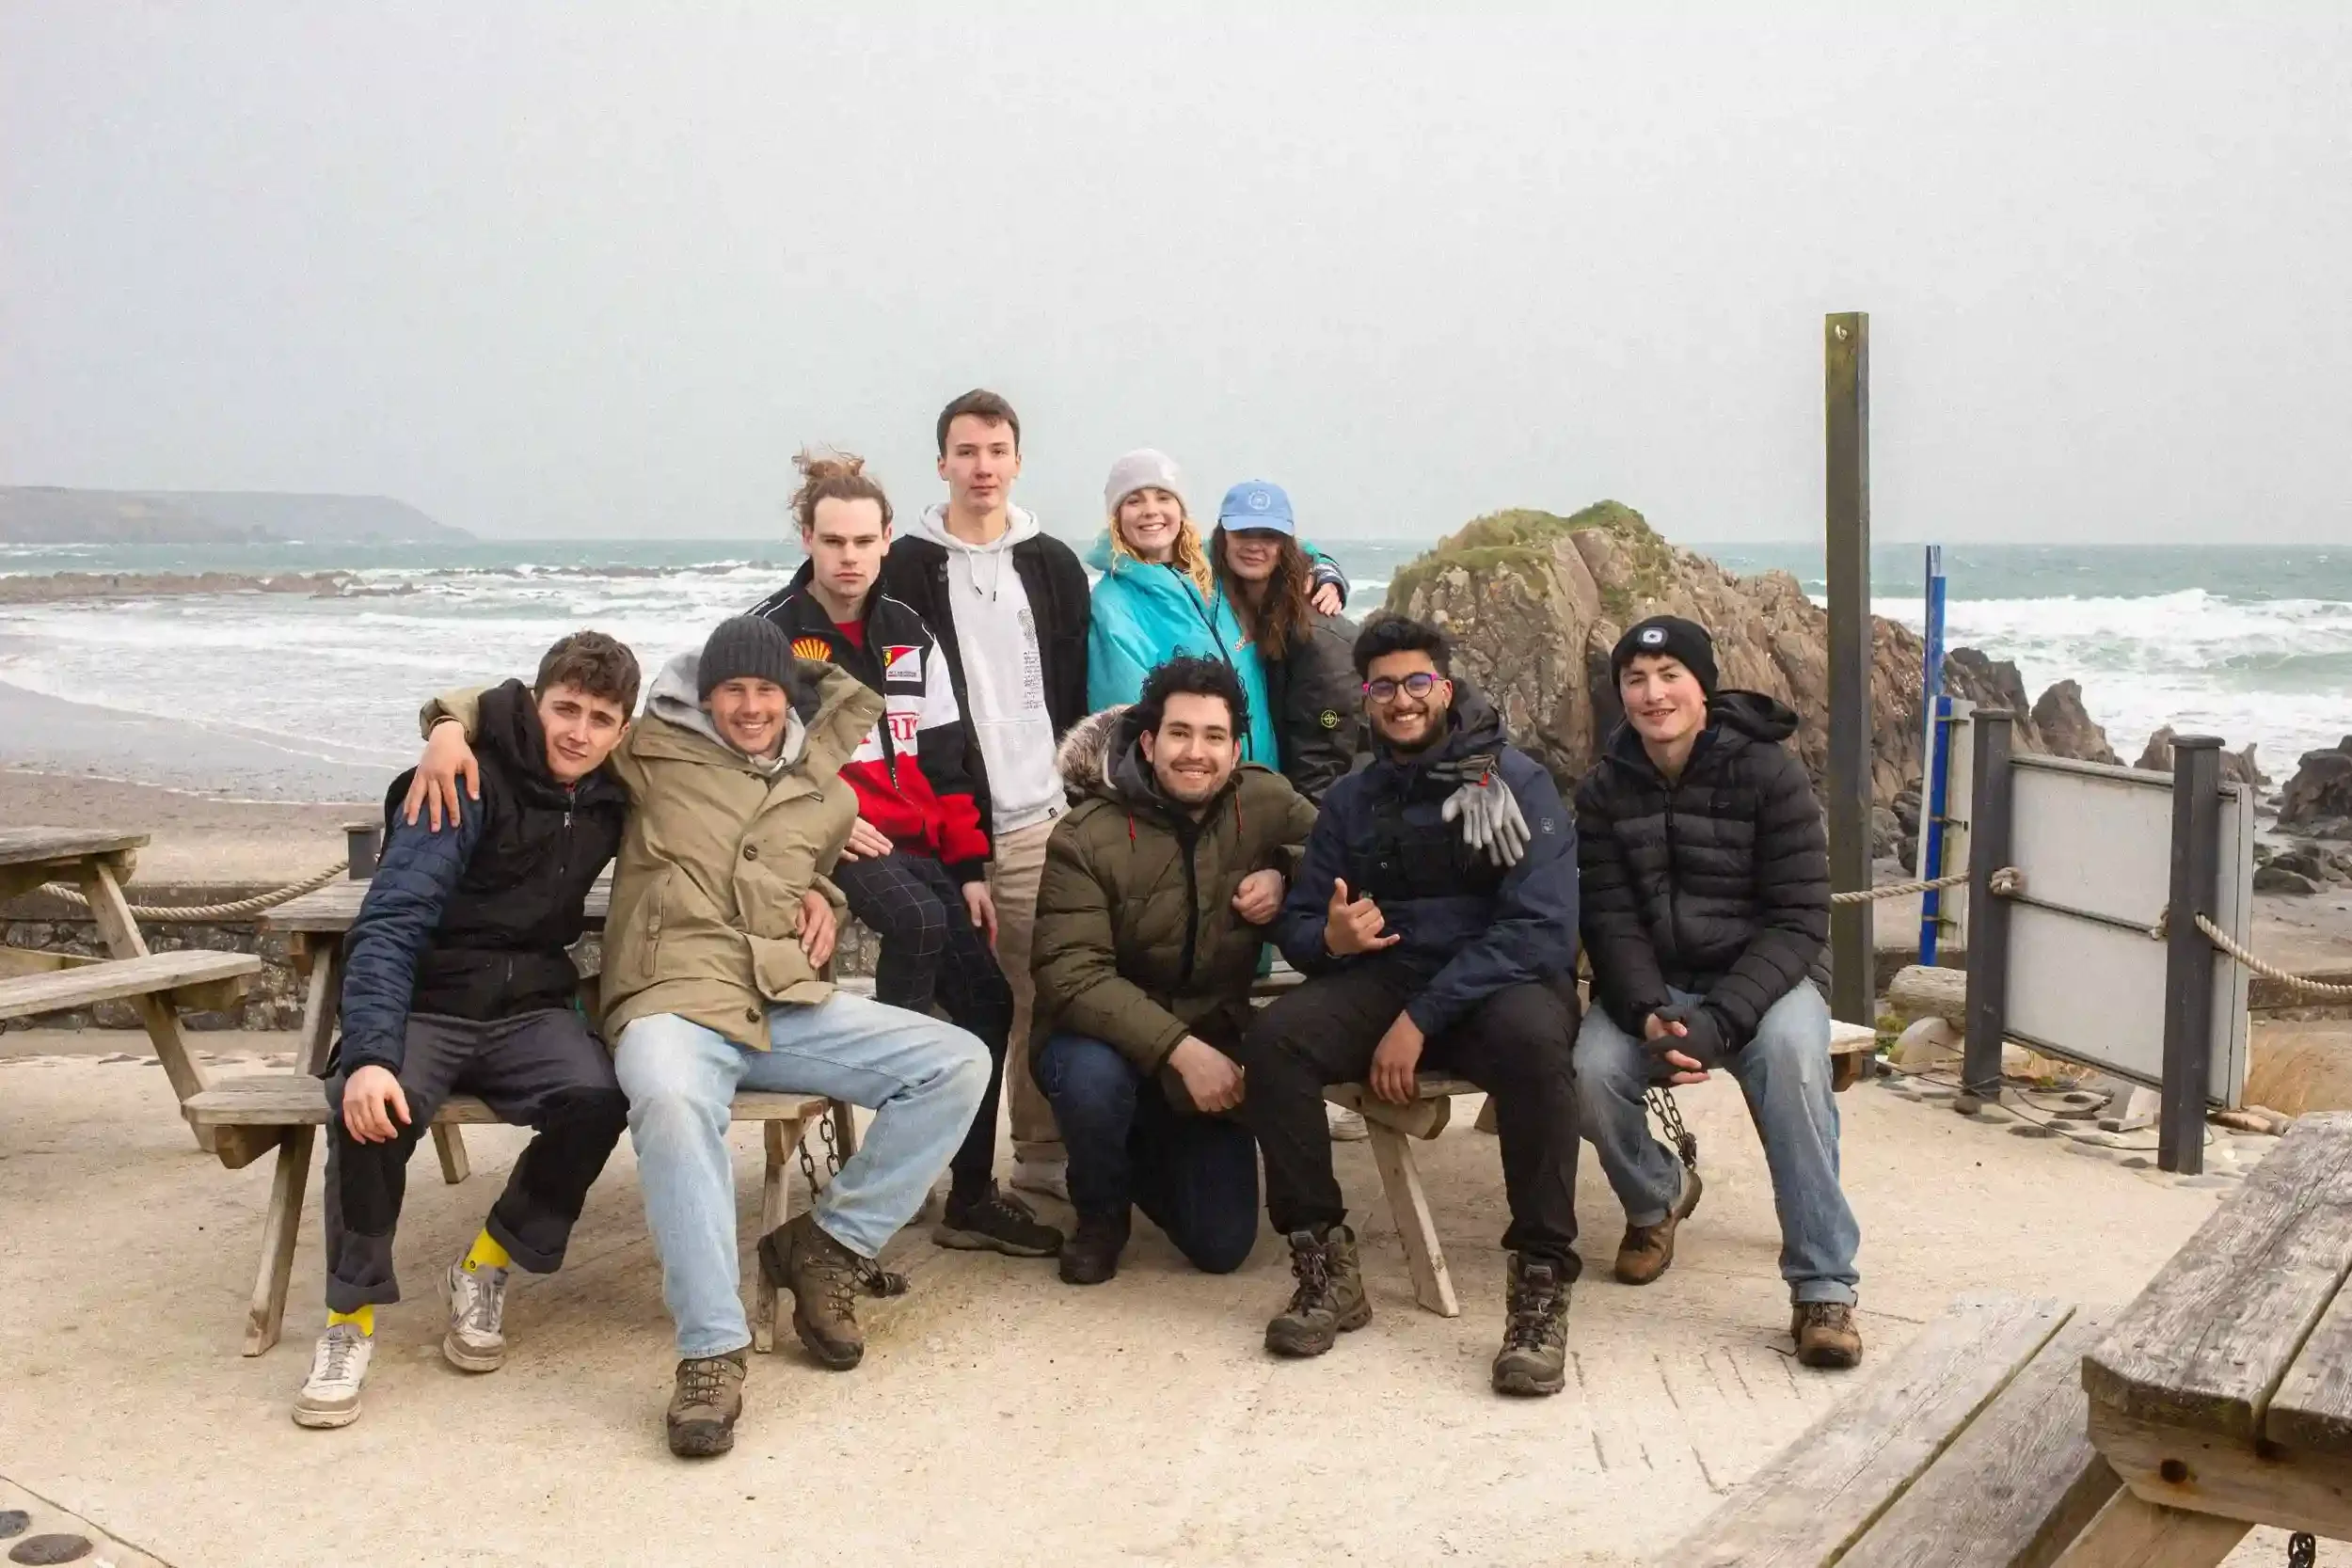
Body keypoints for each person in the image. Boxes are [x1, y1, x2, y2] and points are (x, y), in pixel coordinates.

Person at [405, 614, 990, 1457]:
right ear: (706, 694)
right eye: (732, 690)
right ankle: (712, 1351)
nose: (750, 707)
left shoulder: (829, 791)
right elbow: (532, 717)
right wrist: (447, 727)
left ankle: (828, 1245)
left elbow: (802, 864)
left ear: (789, 696)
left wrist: (822, 895)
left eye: (766, 690)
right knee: (673, 1102)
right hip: (669, 998)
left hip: (778, 1000)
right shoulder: (649, 749)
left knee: (958, 1062)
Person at [293, 631, 640, 1431]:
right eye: (565, 709)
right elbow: (390, 920)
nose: (578, 732)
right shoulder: (464, 777)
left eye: (599, 719)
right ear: (535, 703)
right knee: (370, 1107)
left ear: (622, 731)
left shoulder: (612, 793)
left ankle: (484, 1264)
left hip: (529, 1008)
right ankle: (348, 1321)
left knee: (599, 1097)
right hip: (429, 1000)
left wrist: (816, 884)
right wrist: (370, 1055)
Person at [1231, 615, 1585, 1397]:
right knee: (1277, 1039)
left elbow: (1542, 929)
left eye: (1417, 681)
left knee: (1537, 1047)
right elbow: (1303, 924)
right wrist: (1330, 938)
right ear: (1366, 698)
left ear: (1445, 689)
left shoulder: (1513, 781)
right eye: (1384, 686)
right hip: (1388, 974)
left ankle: (1540, 1285)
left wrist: (1420, 1018)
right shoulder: (1352, 798)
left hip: (1500, 983)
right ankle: (1325, 1265)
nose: (1402, 699)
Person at [747, 449, 1059, 1259]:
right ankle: (896, 1148)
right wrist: (824, 816)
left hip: (918, 842)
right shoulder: (770, 634)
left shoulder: (908, 632)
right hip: (833, 841)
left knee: (990, 1001)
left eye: (863, 541)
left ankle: (969, 1196)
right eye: (832, 541)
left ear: (888, 538)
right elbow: (735, 755)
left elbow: (947, 757)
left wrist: (969, 868)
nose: (848, 557)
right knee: (917, 922)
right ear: (808, 539)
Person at [1571, 614, 1864, 1370]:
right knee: (1589, 1073)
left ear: (1703, 687)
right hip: (1656, 982)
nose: (1653, 693)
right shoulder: (1604, 789)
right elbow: (1608, 916)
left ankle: (1823, 1284)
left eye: (1670, 676)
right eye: (1636, 679)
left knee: (1795, 1063)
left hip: (1766, 981)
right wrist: (1646, 1009)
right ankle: (1658, 1195)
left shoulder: (1769, 773)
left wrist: (1724, 1019)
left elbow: (1800, 917)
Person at [1028, 657, 1318, 1284]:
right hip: (1100, 1040)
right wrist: (1182, 1052)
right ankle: (1100, 1210)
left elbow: (1336, 848)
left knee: (1222, 1246)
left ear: (1235, 750)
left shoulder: (1263, 800)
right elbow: (1071, 974)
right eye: (1180, 733)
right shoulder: (1084, 836)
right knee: (1092, 1082)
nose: (1196, 752)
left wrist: (1284, 871)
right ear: (1148, 742)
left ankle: (1138, 1145)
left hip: (1211, 1031)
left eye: (1214, 736)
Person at [881, 389, 1090, 1204]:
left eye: (996, 450)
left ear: (1017, 461)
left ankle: (1040, 1154)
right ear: (942, 463)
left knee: (1042, 988)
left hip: (1040, 815)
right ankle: (931, 1166)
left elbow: (1077, 681)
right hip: (940, 824)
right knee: (942, 1003)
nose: (982, 466)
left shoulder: (1053, 563)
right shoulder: (902, 564)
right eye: (966, 451)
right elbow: (820, 619)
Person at [1209, 479, 1363, 803]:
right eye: (1243, 532)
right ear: (1223, 538)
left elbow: (1324, 755)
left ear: (1285, 545)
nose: (1255, 545)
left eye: (1269, 535)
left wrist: (1301, 829)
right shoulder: (1227, 605)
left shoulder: (1315, 634)